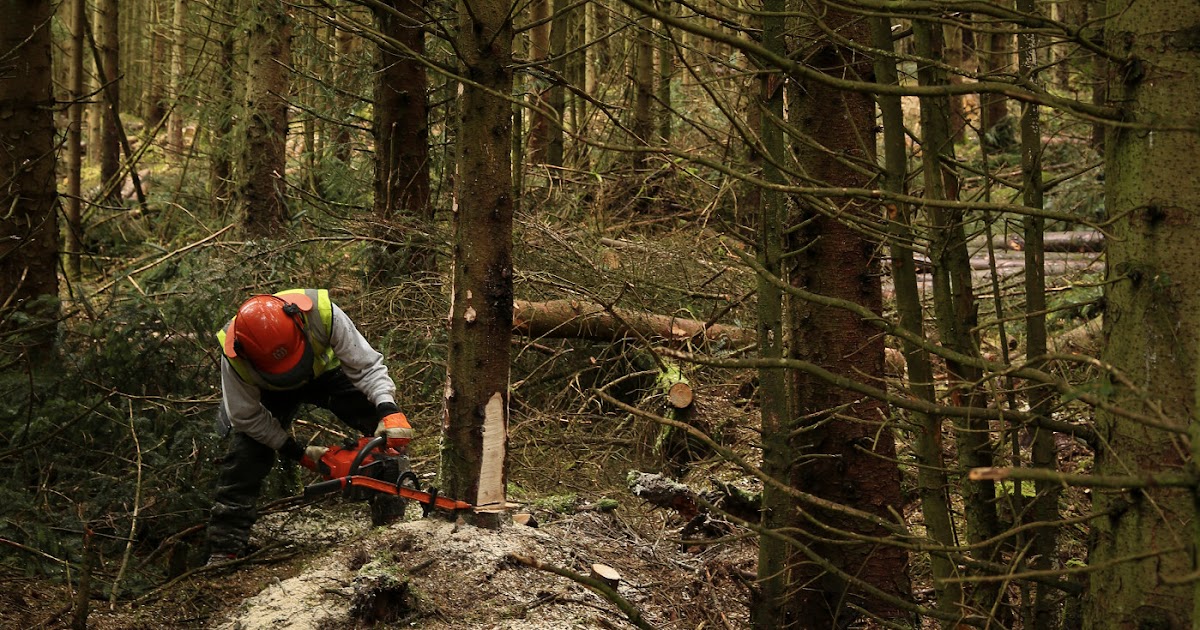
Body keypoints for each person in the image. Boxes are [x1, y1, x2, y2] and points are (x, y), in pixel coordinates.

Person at [205, 288, 413, 565]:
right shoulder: (234, 353)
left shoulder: (322, 311)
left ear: (299, 321)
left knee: (377, 426)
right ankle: (225, 547)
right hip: (271, 392)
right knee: (246, 455)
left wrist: (389, 410)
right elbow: (247, 416)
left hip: (328, 373)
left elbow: (366, 367)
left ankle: (391, 512)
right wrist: (299, 453)